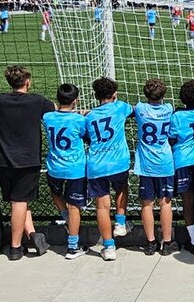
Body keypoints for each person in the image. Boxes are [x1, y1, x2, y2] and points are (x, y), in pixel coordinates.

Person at [0, 65, 54, 261]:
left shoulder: (0, 100)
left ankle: (32, 233)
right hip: (26, 159)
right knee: (19, 201)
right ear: (27, 81)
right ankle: (16, 246)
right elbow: (51, 107)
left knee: (18, 201)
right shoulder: (36, 101)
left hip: (2, 158)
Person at [86, 77, 133, 261]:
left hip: (97, 164)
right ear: (115, 94)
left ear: (96, 96)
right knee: (122, 188)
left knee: (102, 206)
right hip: (118, 162)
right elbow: (133, 111)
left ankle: (109, 246)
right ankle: (120, 222)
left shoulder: (89, 116)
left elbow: (87, 137)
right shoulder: (120, 107)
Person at [43, 83, 89, 260]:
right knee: (74, 206)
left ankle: (65, 215)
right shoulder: (79, 120)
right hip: (75, 168)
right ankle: (72, 246)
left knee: (56, 194)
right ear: (76, 101)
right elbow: (86, 135)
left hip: (54, 166)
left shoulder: (47, 117)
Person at [134, 79, 179, 256]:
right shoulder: (168, 109)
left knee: (147, 204)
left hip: (145, 164)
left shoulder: (140, 109)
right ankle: (167, 242)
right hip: (165, 162)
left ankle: (151, 242)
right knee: (165, 202)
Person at [170, 80, 194, 253]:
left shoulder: (177, 117)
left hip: (183, 160)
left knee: (187, 199)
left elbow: (172, 137)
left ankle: (193, 240)